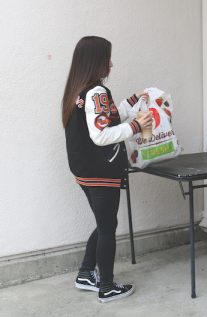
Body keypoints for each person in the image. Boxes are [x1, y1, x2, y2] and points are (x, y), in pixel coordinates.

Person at [62, 36, 152, 303]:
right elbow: (101, 135)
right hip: (101, 170)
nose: (111, 64)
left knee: (104, 224)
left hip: (85, 171)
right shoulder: (97, 92)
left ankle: (86, 274)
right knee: (107, 228)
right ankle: (108, 286)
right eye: (107, 58)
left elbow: (108, 116)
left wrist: (133, 101)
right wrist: (136, 126)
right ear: (95, 61)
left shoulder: (79, 91)